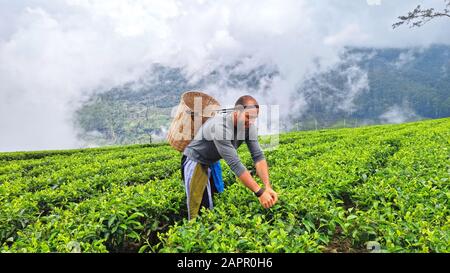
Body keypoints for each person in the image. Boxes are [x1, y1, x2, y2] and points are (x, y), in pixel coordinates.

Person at [181, 95, 278, 220]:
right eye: (248, 117)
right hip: (196, 161)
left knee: (216, 203)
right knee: (200, 210)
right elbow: (235, 164)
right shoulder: (220, 127)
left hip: (212, 162)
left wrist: (267, 187)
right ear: (237, 112)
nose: (251, 121)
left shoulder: (249, 128)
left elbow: (258, 156)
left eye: (254, 118)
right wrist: (259, 193)